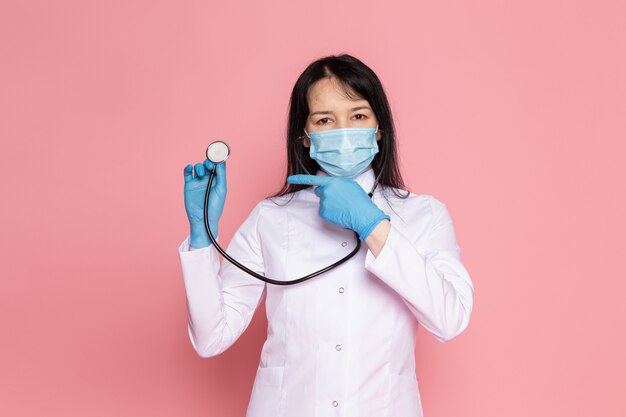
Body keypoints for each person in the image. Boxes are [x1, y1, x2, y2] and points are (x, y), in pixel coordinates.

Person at [179, 54, 474, 417]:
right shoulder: (270, 218)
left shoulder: (424, 214)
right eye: (324, 120)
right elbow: (211, 338)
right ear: (305, 136)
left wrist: (373, 224)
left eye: (358, 116)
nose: (343, 130)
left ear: (379, 127)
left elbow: (451, 318)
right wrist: (200, 237)